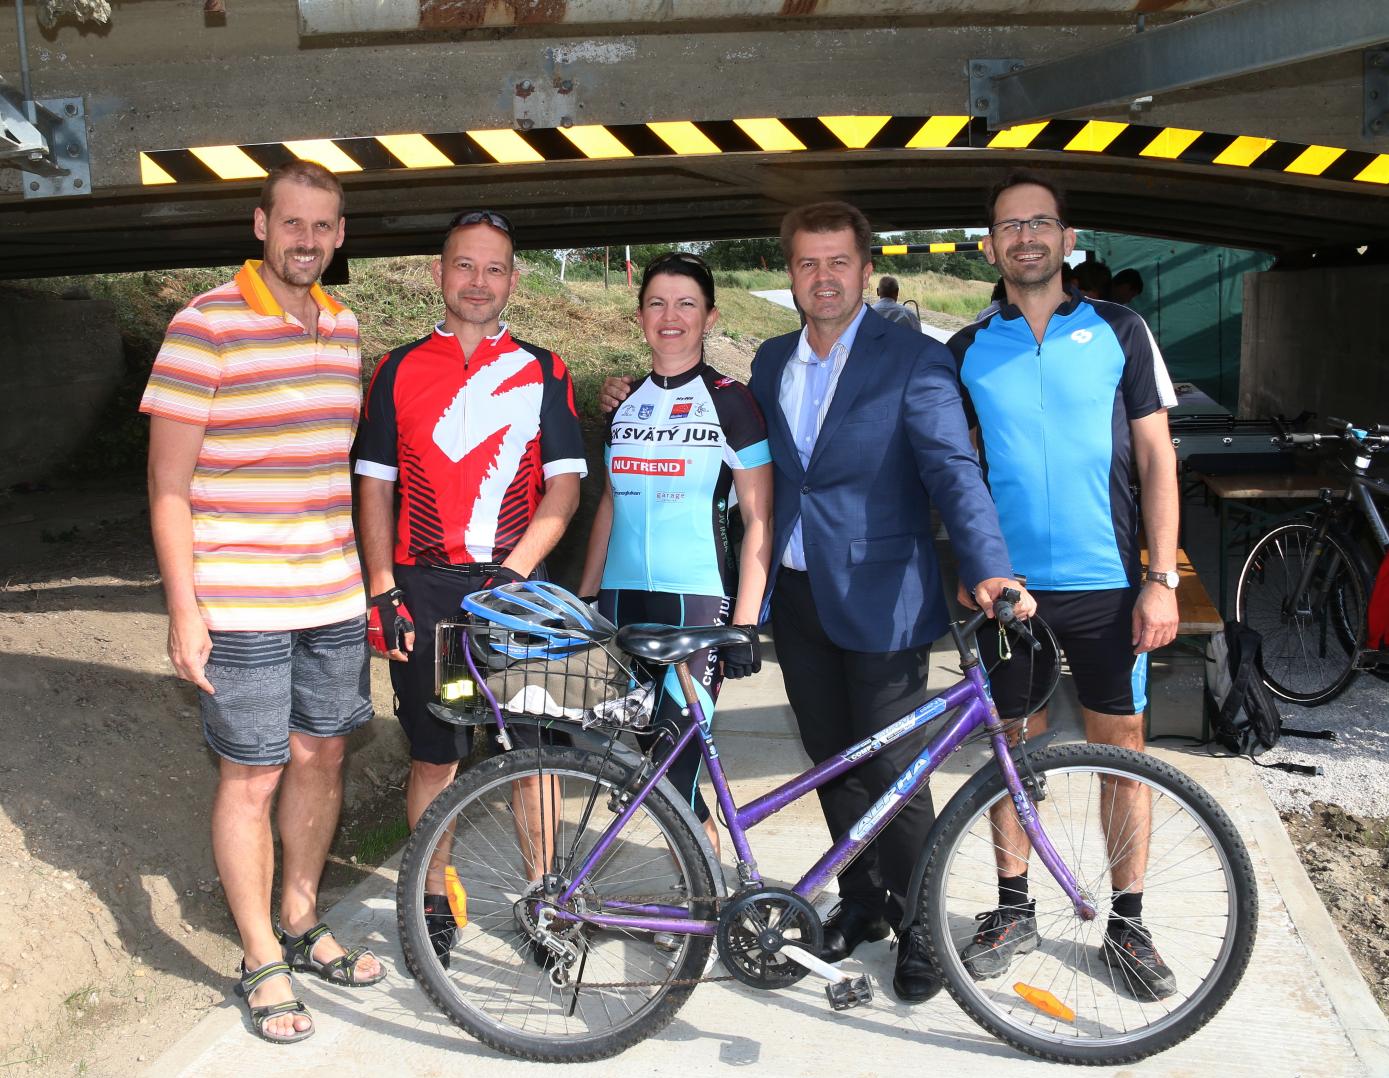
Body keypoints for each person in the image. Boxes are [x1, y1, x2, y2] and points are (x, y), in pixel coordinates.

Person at [601, 203, 1032, 1005]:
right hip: (798, 600)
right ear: (790, 274)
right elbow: (719, 428)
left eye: (838, 262)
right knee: (832, 760)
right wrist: (632, 395)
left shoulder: (913, 358)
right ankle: (862, 902)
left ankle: (919, 926)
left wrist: (989, 567)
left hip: (884, 598)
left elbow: (951, 467)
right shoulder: (770, 361)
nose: (823, 278)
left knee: (896, 773)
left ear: (865, 270)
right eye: (807, 263)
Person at [141, 161, 383, 1045]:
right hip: (239, 601)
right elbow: (168, 486)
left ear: (340, 235)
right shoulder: (203, 325)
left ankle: (300, 918)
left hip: (332, 593)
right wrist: (184, 609)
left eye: (322, 226)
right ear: (260, 225)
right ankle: (258, 957)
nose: (306, 241)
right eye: (292, 223)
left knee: (322, 756)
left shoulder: (343, 326)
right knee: (252, 775)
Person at [948, 169, 1180, 1000]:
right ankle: (1013, 908)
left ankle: (1128, 922)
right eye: (1009, 225)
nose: (1025, 237)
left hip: (1109, 582)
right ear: (989, 246)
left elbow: (1156, 458)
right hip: (1008, 591)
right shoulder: (967, 348)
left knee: (1123, 752)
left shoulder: (1120, 329)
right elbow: (946, 465)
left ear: (1066, 238)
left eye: (1039, 222)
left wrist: (1160, 577)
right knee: (1014, 751)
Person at [353, 208, 587, 968]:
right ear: (439, 273)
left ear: (513, 279)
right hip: (423, 592)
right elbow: (375, 486)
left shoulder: (545, 370)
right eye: (464, 265)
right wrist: (382, 589)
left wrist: (514, 576)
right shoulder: (396, 368)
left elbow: (564, 490)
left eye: (493, 268)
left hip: (515, 590)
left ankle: (546, 902)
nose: (478, 281)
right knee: (434, 757)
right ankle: (431, 898)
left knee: (535, 757)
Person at [578, 252, 773, 858]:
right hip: (620, 600)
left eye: (686, 303)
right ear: (640, 316)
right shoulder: (622, 402)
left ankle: (704, 890)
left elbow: (759, 518)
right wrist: (586, 597)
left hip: (698, 602)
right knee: (656, 761)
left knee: (674, 760)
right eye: (657, 303)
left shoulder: (732, 402)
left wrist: (746, 624)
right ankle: (708, 881)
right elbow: (610, 503)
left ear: (710, 318)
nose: (671, 316)